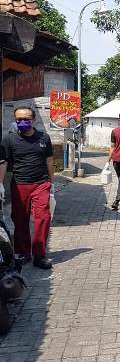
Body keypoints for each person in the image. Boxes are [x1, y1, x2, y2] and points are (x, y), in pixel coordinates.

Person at [0, 107, 55, 269]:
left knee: (43, 218)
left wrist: (52, 183)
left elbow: (49, 161)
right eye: (19, 120)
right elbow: (3, 163)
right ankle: (24, 252)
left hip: (41, 184)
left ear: (34, 119)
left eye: (26, 119)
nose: (22, 122)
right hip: (19, 185)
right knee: (20, 219)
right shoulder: (8, 140)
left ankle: (39, 255)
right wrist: (0, 184)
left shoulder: (44, 138)